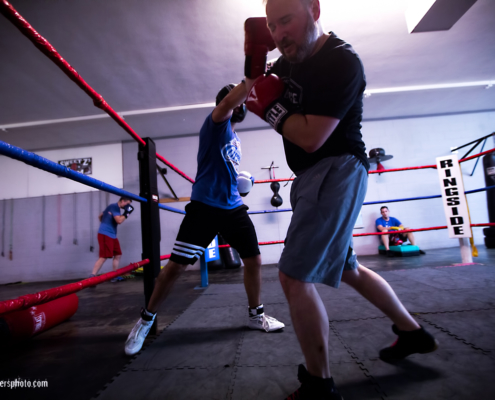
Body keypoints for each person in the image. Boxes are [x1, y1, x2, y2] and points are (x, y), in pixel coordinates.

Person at [243, 0, 438, 398]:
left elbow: (312, 136)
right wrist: (255, 57)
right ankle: (411, 331)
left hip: (335, 167)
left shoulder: (341, 61)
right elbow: (251, 90)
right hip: (316, 177)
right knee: (347, 267)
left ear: (313, 10)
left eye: (287, 21)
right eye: (271, 26)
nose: (279, 34)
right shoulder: (286, 61)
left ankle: (319, 385)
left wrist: (271, 109)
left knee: (293, 275)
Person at [124, 83, 285, 357]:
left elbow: (225, 170)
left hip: (233, 207)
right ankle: (145, 320)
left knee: (254, 261)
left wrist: (241, 183)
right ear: (227, 103)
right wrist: (255, 78)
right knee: (175, 268)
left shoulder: (235, 137)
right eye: (238, 101)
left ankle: (255, 315)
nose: (243, 105)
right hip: (205, 208)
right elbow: (226, 105)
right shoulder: (215, 124)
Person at [89, 196, 134, 283]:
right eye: (127, 204)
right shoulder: (114, 207)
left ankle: (114, 276)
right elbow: (119, 221)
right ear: (122, 201)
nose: (128, 206)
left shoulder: (113, 207)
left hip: (112, 235)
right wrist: (127, 213)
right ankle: (92, 277)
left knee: (118, 254)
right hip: (105, 234)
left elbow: (100, 216)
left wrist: (105, 222)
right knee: (103, 257)